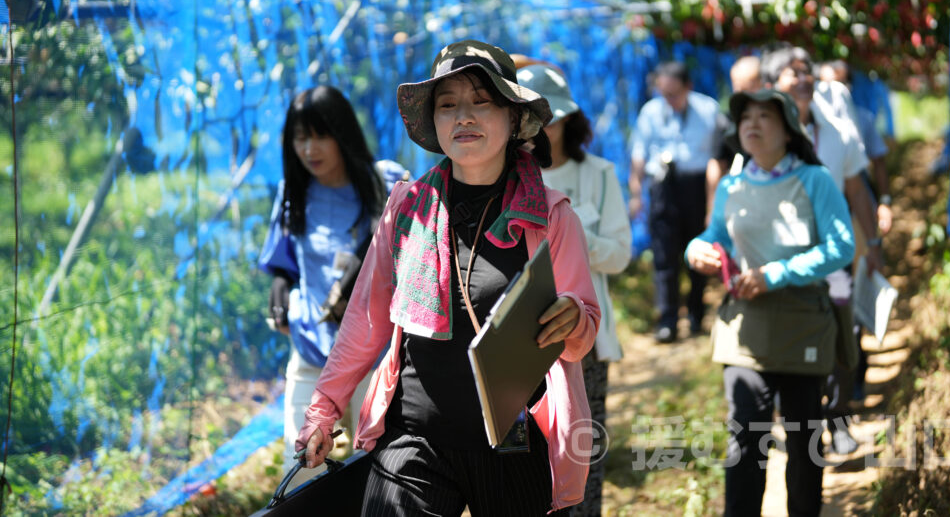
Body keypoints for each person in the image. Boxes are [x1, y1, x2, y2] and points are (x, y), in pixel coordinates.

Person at [296, 40, 601, 515]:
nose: (464, 117)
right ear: (433, 123)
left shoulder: (552, 217)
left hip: (513, 444)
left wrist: (573, 318)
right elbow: (366, 320)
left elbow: (582, 334)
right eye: (448, 105)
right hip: (414, 438)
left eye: (482, 102)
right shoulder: (406, 207)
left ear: (514, 118)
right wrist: (323, 410)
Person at [686, 88, 856, 517]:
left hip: (803, 326)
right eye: (745, 117)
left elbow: (840, 247)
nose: (752, 123)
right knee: (746, 439)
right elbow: (716, 238)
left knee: (802, 441)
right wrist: (696, 250)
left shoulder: (814, 180)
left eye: (765, 116)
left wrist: (776, 275)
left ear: (789, 131)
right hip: (747, 326)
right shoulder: (732, 186)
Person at [258, 86, 407, 467]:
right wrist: (279, 286)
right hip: (310, 349)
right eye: (300, 137)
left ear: (343, 133)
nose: (309, 149)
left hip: (371, 356)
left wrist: (363, 276)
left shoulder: (385, 185)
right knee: (300, 465)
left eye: (320, 135)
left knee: (380, 469)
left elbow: (417, 255)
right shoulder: (294, 194)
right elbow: (284, 263)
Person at [516, 61, 632, 517]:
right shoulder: (503, 179)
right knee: (527, 463)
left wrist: (569, 233)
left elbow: (620, 255)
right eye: (529, 118)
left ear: (568, 121)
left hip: (583, 336)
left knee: (583, 453)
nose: (539, 130)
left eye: (550, 119)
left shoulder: (598, 173)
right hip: (520, 341)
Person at [761, 47, 882, 455]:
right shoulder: (761, 134)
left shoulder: (837, 128)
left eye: (806, 72)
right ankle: (803, 431)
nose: (803, 79)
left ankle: (840, 420)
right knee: (792, 342)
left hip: (833, 253)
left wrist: (875, 243)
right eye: (792, 74)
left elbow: (856, 190)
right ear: (772, 85)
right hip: (782, 258)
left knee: (844, 337)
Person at [628, 61, 723, 343]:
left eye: (674, 93)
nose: (668, 100)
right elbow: (638, 155)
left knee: (698, 252)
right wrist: (636, 194)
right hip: (663, 188)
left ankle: (696, 314)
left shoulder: (709, 111)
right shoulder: (651, 112)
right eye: (663, 93)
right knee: (664, 256)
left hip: (696, 186)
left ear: (688, 87)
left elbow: (717, 161)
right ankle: (667, 320)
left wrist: (711, 205)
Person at [819, 60, 893, 235]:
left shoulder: (862, 119)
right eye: (825, 85)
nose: (832, 91)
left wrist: (885, 202)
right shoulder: (812, 123)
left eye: (839, 84)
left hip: (860, 203)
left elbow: (879, 162)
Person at [706, 55, 762, 222]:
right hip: (738, 202)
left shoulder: (777, 120)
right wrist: (712, 207)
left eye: (748, 88)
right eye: (737, 88)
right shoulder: (726, 121)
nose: (742, 95)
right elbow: (717, 163)